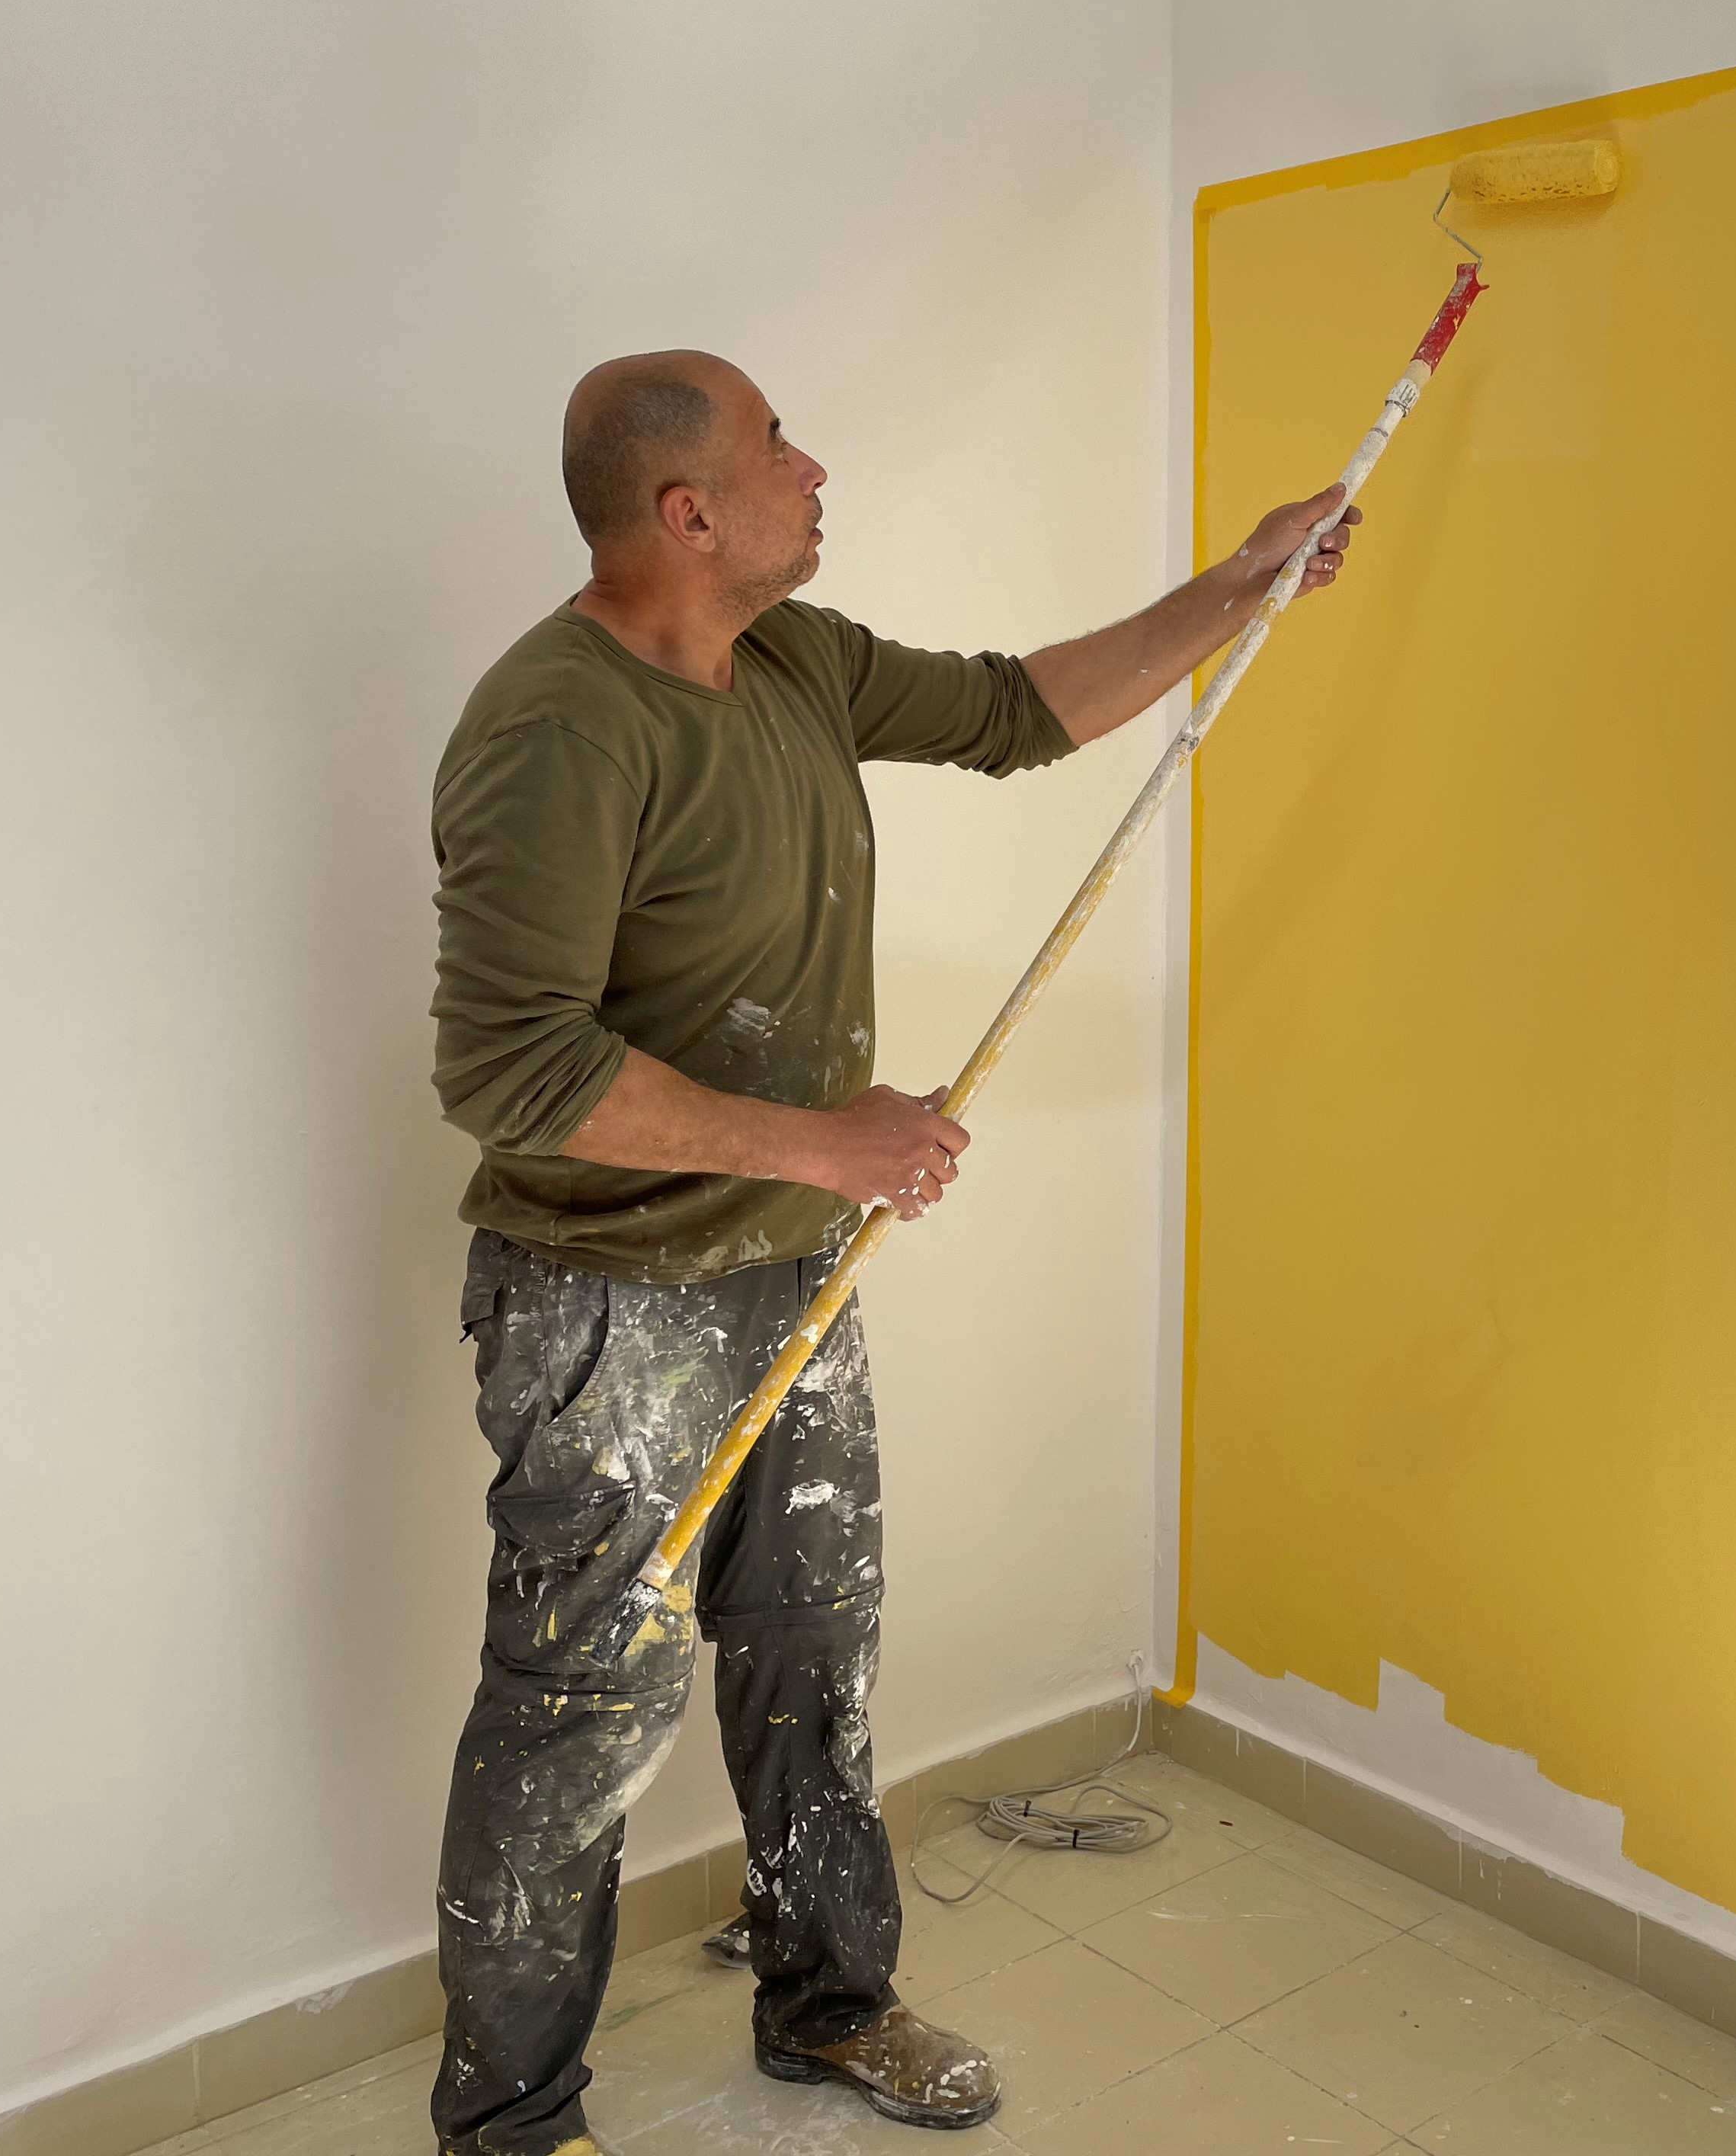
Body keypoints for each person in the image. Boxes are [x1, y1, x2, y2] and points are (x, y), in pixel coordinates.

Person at [425, 349, 1359, 2155]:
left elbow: (1020, 710)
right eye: (780, 443)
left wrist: (1240, 584)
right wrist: (818, 1138)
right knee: (577, 1719)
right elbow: (507, 1069)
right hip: (607, 1311)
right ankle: (514, 2130)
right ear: (687, 512)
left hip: (791, 1272)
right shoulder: (558, 725)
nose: (814, 464)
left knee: (812, 1651)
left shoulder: (799, 658)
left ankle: (830, 2005)